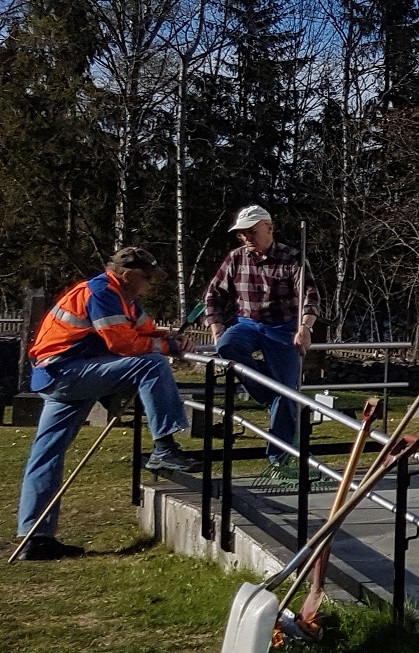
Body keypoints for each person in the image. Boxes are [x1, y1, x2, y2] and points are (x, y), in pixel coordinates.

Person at [15, 247, 194, 560]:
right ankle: (164, 448)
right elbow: (122, 343)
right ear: (127, 275)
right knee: (151, 364)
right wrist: (165, 346)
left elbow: (144, 330)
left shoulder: (123, 298)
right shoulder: (103, 293)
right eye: (147, 277)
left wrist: (168, 337)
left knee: (46, 454)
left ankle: (35, 536)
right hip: (67, 370)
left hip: (61, 373)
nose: (151, 283)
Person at [203, 205, 322, 486]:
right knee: (227, 348)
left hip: (283, 327)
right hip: (248, 323)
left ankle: (278, 461)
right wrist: (216, 325)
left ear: (269, 228)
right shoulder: (236, 258)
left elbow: (310, 296)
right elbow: (213, 294)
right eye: (242, 234)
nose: (246, 239)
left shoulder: (293, 258)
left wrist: (305, 328)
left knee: (287, 395)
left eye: (252, 232)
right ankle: (266, 390)